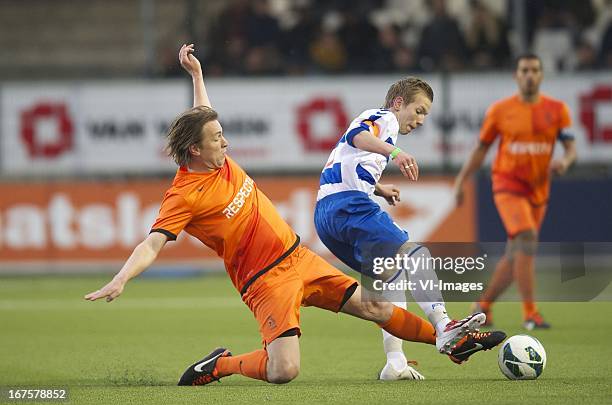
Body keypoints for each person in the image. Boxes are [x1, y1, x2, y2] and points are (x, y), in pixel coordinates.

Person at [84, 44, 504, 386]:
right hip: (264, 280)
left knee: (377, 305)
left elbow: (203, 117)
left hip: (298, 257)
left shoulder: (218, 160)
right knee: (284, 370)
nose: (226, 143)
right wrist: (122, 277)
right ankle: (219, 366)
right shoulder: (184, 194)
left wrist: (196, 76)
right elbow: (153, 241)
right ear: (196, 149)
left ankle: (447, 340)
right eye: (218, 138)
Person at [314, 76, 505, 380]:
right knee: (415, 254)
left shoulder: (379, 125)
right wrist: (395, 153)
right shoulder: (385, 118)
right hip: (348, 206)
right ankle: (444, 326)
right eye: (419, 110)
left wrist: (378, 188)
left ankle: (395, 362)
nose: (420, 120)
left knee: (391, 275)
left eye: (425, 115)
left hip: (327, 216)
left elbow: (346, 160)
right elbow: (356, 137)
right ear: (399, 103)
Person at [454, 53, 577, 330]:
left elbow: (570, 148)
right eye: (525, 70)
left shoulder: (558, 110)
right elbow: (481, 149)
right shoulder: (500, 110)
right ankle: (531, 313)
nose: (530, 75)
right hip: (507, 185)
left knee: (515, 255)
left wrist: (566, 162)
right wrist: (462, 180)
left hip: (539, 190)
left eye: (535, 70)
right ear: (516, 75)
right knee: (527, 237)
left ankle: (482, 306)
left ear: (542, 75)